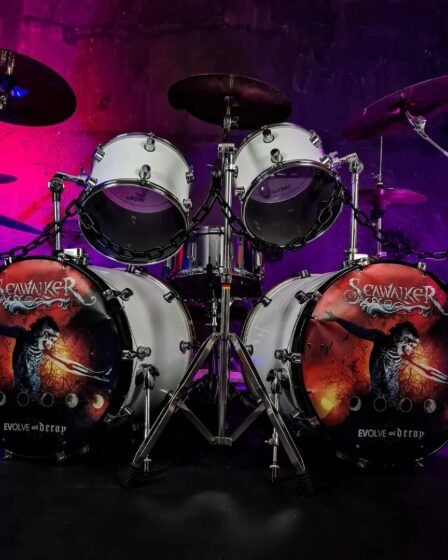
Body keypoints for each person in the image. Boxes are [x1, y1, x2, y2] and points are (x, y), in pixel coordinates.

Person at [324, 311, 428, 407]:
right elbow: (358, 330)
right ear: (403, 339)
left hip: (393, 397)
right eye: (412, 345)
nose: (412, 349)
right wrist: (337, 319)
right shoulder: (379, 338)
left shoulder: (405, 356)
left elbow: (424, 370)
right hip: (376, 395)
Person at [0, 316, 110, 400]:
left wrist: (93, 374)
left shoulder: (46, 351)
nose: (52, 344)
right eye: (52, 340)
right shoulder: (21, 334)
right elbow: (3, 329)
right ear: (44, 334)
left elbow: (69, 365)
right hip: (18, 390)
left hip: (36, 393)